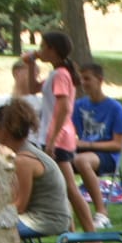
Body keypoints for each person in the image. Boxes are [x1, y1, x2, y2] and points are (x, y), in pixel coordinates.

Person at [26, 30, 96, 232]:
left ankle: (93, 237)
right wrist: (31, 63)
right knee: (62, 189)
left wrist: (52, 140)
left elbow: (64, 107)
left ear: (52, 49)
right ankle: (72, 236)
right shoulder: (56, 73)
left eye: (42, 46)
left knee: (70, 188)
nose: (39, 50)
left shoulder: (61, 74)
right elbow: (32, 88)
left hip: (59, 137)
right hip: (52, 136)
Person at [0, 100, 73, 238]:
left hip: (45, 221)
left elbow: (19, 206)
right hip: (46, 218)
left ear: (4, 130)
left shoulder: (23, 160)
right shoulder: (27, 152)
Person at [72, 62, 122, 229]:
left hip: (107, 156)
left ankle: (102, 212)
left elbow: (118, 145)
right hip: (82, 151)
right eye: (82, 79)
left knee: (81, 161)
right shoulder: (79, 105)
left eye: (88, 79)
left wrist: (87, 144)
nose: (84, 83)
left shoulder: (115, 108)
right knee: (57, 161)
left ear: (100, 80)